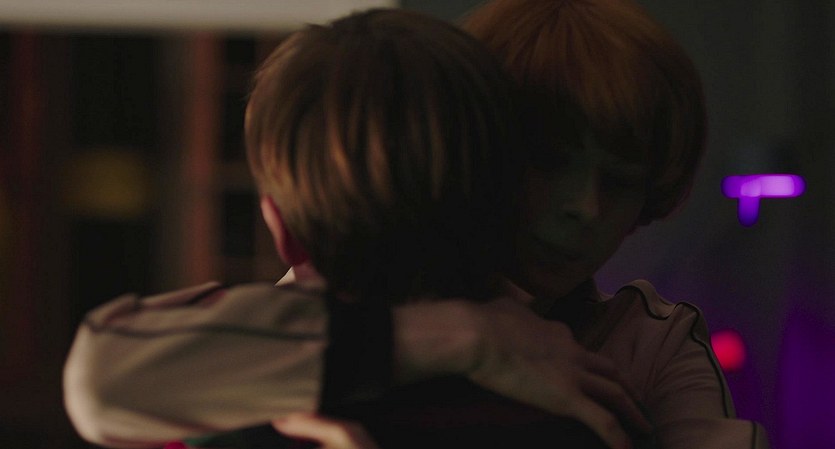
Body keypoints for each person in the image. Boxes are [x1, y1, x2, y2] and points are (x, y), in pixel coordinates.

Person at [64, 0, 771, 448]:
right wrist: (467, 338)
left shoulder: (651, 340)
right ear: (477, 150)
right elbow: (105, 379)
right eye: (546, 163)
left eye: (618, 181)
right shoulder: (329, 302)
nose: (582, 207)